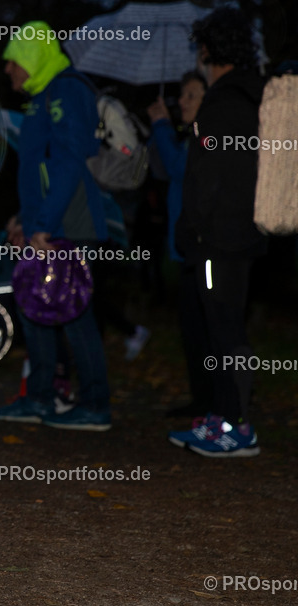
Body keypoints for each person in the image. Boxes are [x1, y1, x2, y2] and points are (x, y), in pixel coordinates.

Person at [0, 21, 112, 431]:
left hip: (68, 223)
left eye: (13, 60)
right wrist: (23, 220)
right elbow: (37, 168)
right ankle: (40, 398)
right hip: (45, 223)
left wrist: (44, 225)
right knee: (34, 306)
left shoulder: (67, 90)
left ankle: (95, 405)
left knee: (74, 313)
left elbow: (69, 162)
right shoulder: (42, 96)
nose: (8, 69)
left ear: (32, 56)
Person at [168, 8, 265, 457]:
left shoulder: (224, 103)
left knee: (224, 331)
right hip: (239, 234)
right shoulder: (249, 95)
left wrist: (196, 230)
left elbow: (213, 177)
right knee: (225, 328)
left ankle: (234, 426)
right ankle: (224, 417)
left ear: (208, 48)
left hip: (220, 239)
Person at [148, 72, 208, 417]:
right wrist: (160, 129)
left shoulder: (207, 137)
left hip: (202, 251)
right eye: (181, 95)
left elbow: (176, 168)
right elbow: (160, 169)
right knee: (192, 331)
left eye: (191, 95)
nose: (182, 102)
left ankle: (217, 404)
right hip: (184, 249)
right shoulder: (190, 136)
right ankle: (202, 401)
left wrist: (161, 125)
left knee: (207, 330)